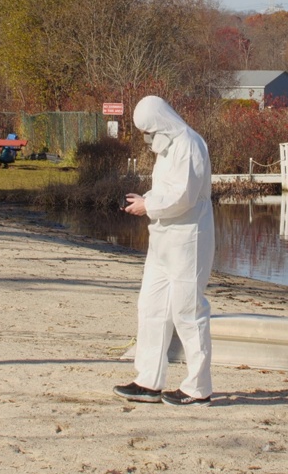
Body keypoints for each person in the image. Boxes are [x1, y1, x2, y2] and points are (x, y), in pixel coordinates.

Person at [114, 96, 216, 407]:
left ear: (161, 122)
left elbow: (183, 196)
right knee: (151, 306)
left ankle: (198, 388)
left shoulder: (189, 144)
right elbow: (166, 190)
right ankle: (148, 380)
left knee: (188, 312)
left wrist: (149, 205)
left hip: (189, 239)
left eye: (148, 131)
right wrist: (144, 199)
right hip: (162, 239)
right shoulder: (169, 147)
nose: (147, 138)